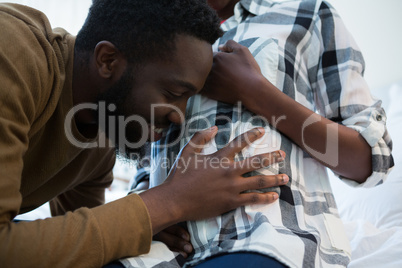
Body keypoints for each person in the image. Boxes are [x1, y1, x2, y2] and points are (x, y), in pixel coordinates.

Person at [0, 1, 289, 267]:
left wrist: (147, 223)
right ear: (108, 60)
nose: (179, 116)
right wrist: (167, 203)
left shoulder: (97, 152)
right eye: (173, 93)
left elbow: (78, 246)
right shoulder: (13, 50)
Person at [123, 0, 394, 267]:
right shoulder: (156, 29)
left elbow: (369, 160)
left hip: (264, 241)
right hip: (158, 251)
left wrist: (254, 91)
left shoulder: (307, 15)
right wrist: (148, 212)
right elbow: (149, 155)